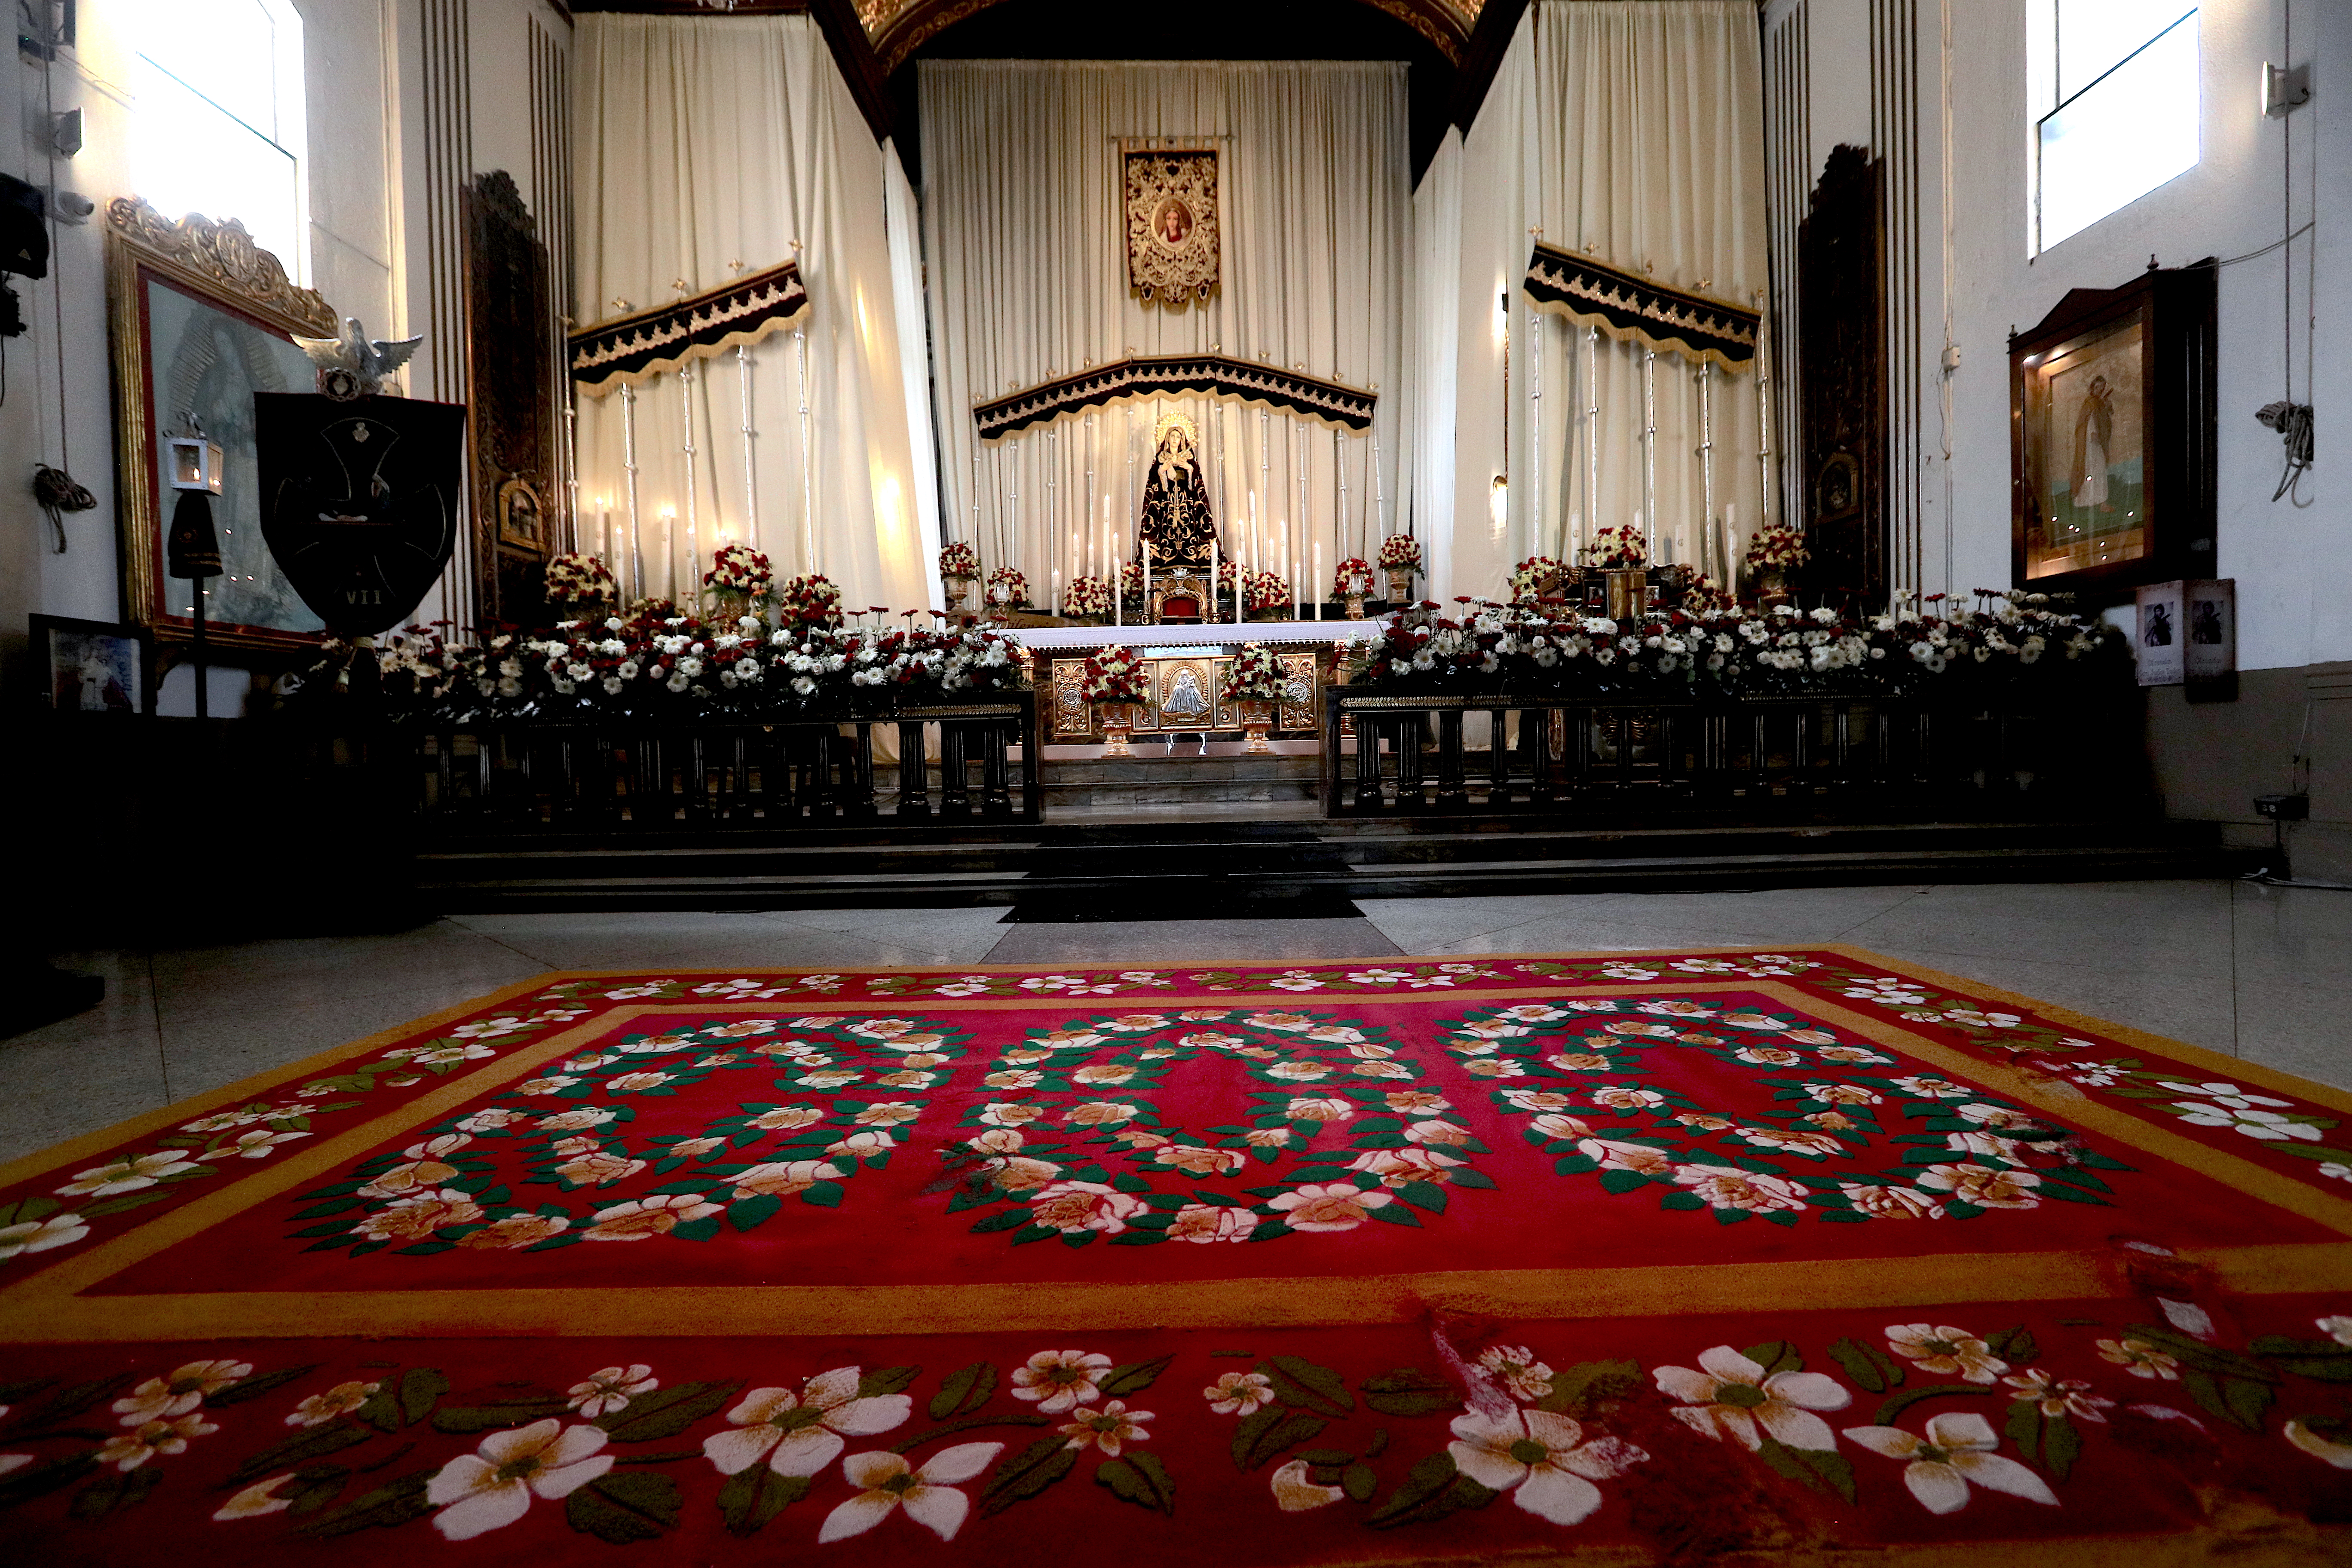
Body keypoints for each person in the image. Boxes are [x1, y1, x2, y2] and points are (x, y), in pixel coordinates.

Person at [1135, 417, 1217, 568]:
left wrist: (1189, 468)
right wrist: (1162, 471)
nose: (1175, 439)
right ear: (1167, 438)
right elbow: (1153, 482)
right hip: (1166, 502)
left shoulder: (1189, 457)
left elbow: (1197, 484)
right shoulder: (1160, 458)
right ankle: (1166, 559)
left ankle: (1190, 558)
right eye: (1172, 436)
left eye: (1178, 437)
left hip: (1186, 502)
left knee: (1189, 526)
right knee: (1166, 528)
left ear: (1182, 440)